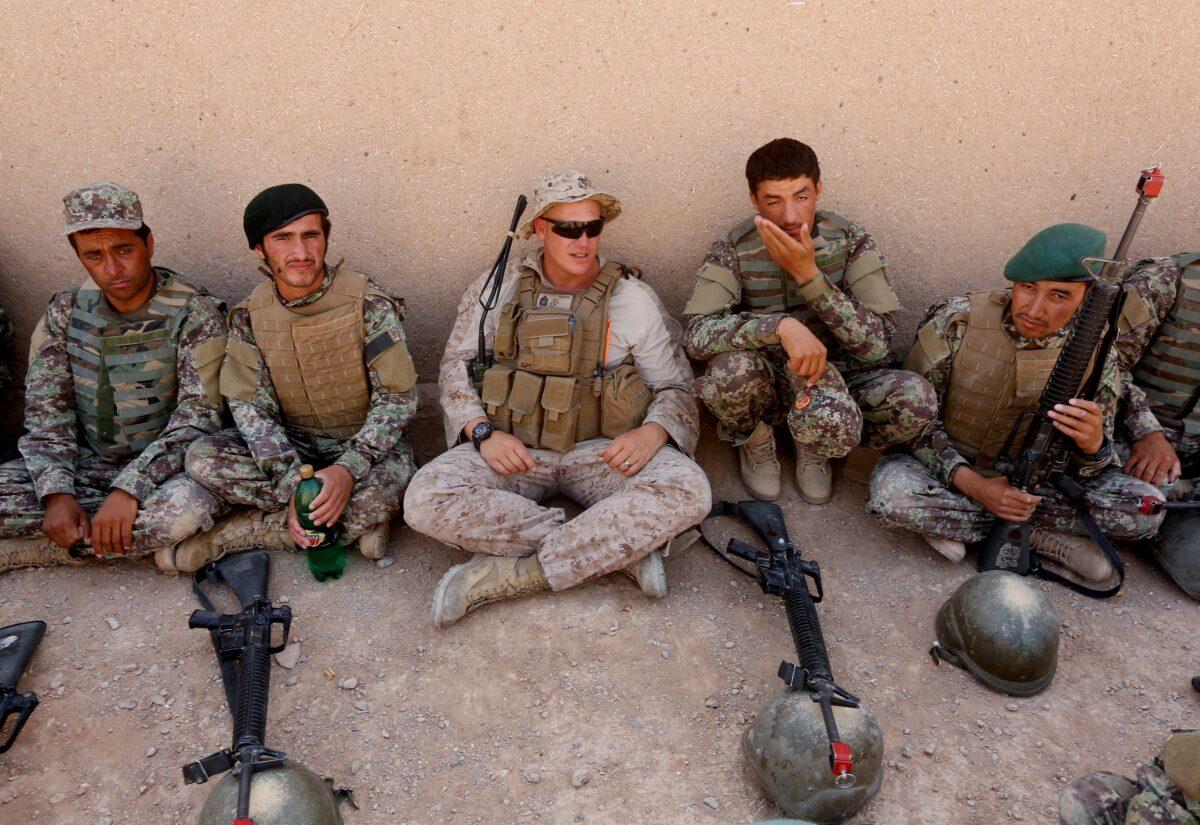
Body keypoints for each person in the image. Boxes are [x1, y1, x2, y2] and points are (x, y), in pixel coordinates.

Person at [404, 171, 711, 627]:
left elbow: (677, 386)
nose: (582, 240)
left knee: (689, 490)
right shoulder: (496, 291)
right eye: (568, 228)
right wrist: (482, 432)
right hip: (514, 451)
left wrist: (655, 430)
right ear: (541, 229)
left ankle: (511, 572)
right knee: (425, 499)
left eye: (593, 227)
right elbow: (454, 366)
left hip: (601, 452)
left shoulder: (633, 299)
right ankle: (614, 550)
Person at [867, 223, 1164, 587]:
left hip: (1037, 488)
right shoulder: (957, 321)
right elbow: (913, 427)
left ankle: (992, 528)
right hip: (947, 469)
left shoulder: (1096, 349)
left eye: (1059, 295)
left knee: (1146, 509)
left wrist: (1094, 447)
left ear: (1086, 298)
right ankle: (1038, 536)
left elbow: (1095, 467)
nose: (1035, 309)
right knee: (894, 497)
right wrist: (974, 485)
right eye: (1028, 288)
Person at [178, 184, 418, 572]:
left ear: (326, 236)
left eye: (311, 235)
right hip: (294, 448)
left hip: (361, 447)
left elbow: (397, 400)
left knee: (401, 482)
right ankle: (347, 527)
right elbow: (250, 408)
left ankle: (257, 530)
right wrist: (293, 484)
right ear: (260, 248)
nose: (301, 253)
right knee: (203, 458)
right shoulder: (249, 315)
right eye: (283, 239)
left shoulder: (369, 303)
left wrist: (347, 469)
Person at [681, 138, 935, 503]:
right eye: (773, 201)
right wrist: (779, 326)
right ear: (755, 200)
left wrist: (810, 278)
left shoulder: (849, 241)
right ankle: (756, 438)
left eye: (801, 196)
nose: (790, 215)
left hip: (836, 379)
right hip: (765, 382)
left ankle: (817, 446)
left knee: (916, 397)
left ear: (818, 189)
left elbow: (878, 344)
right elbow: (696, 335)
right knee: (726, 374)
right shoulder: (734, 248)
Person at [0, 182, 227, 573]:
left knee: (180, 513)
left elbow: (199, 420)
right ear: (79, 256)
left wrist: (129, 488)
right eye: (94, 256)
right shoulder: (67, 311)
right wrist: (56, 493)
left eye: (123, 250)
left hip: (166, 470)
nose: (112, 268)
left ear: (148, 244)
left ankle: (51, 548)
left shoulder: (196, 314)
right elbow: (46, 414)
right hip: (90, 464)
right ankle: (119, 542)